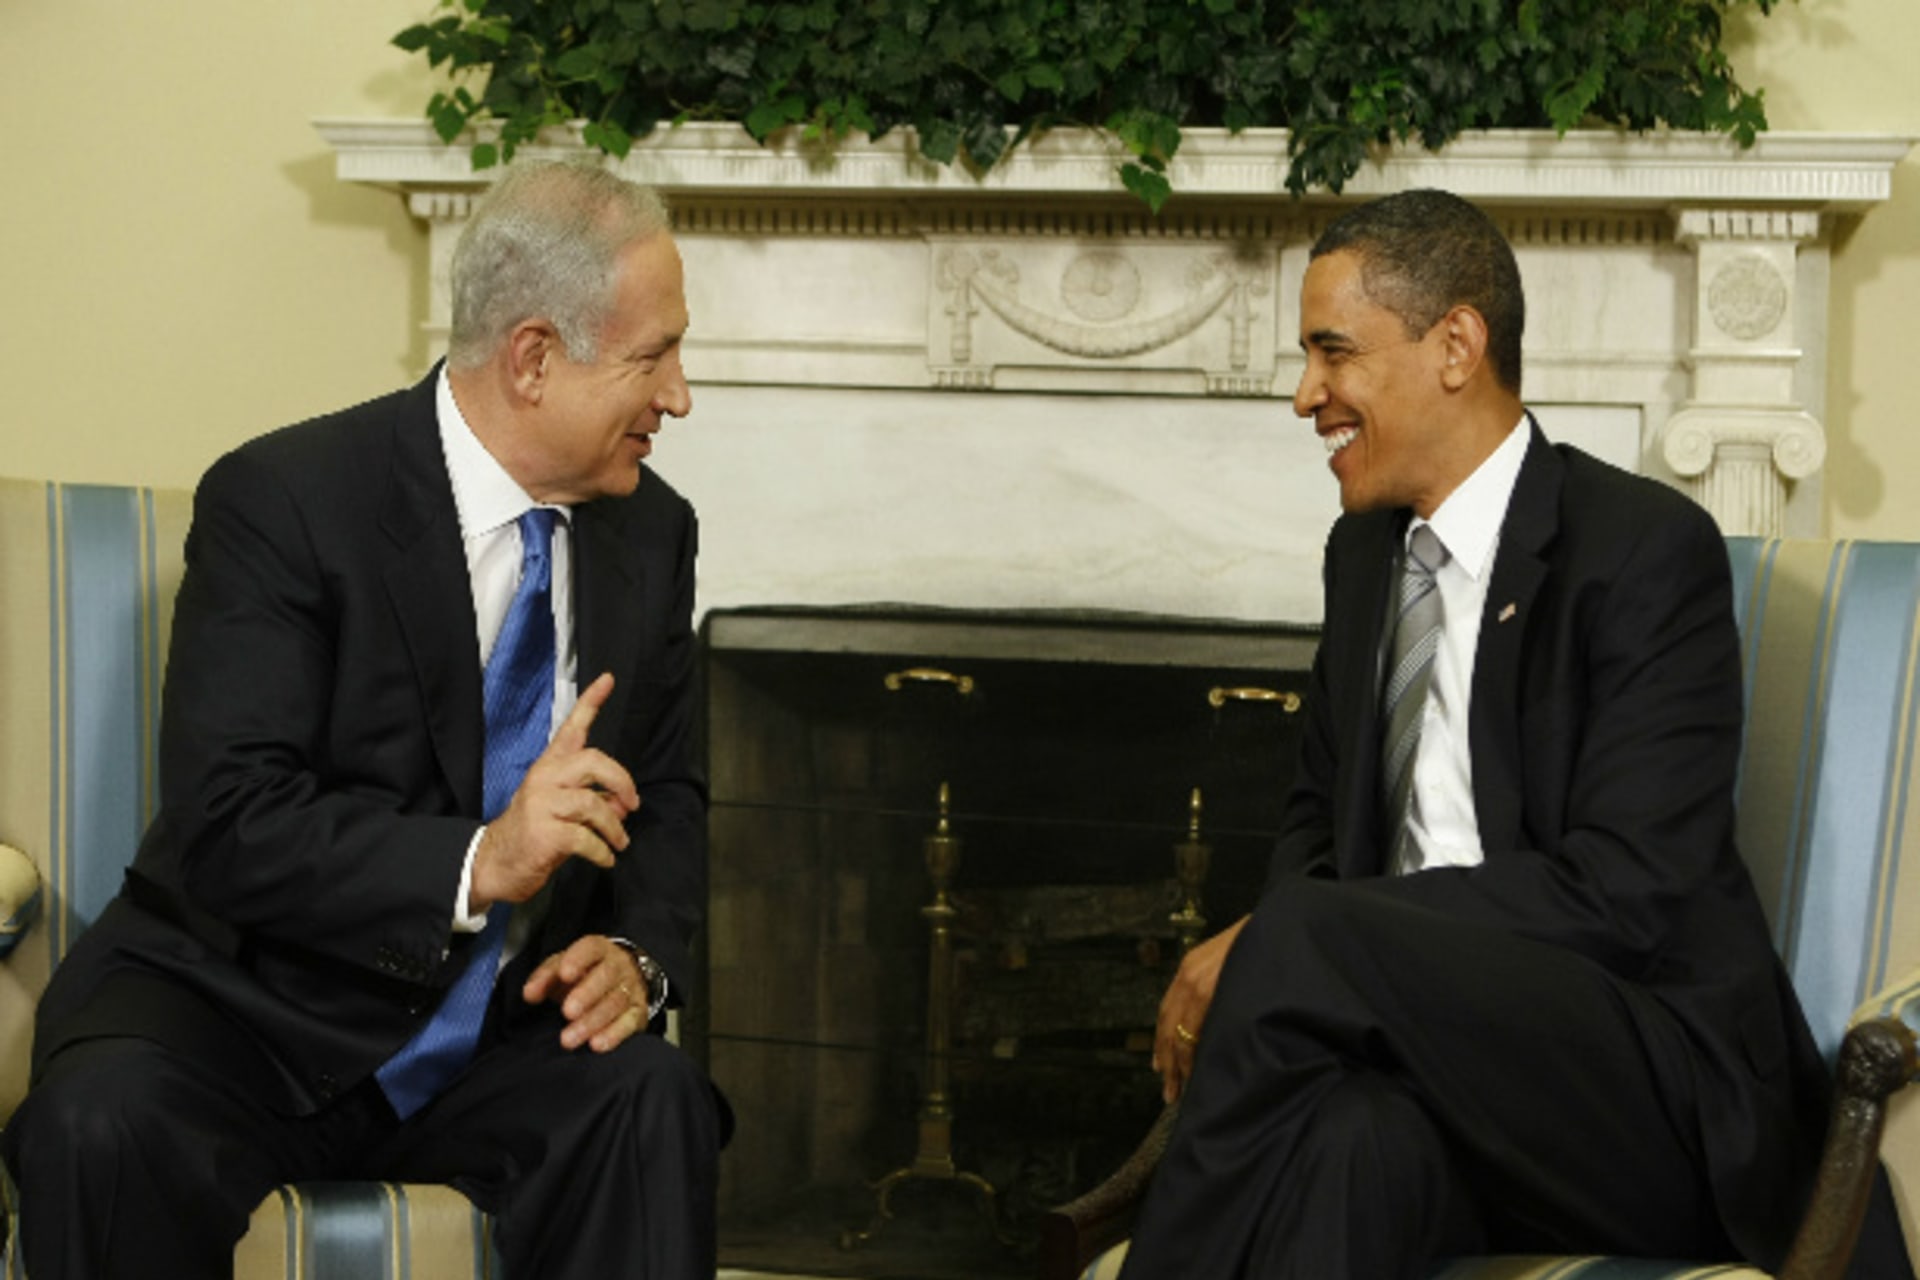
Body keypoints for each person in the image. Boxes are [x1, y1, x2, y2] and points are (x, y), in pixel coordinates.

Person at [1119, 189, 1914, 1278]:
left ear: (1456, 344)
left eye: (1333, 352)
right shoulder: (1363, 560)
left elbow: (1632, 889)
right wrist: (1318, 932)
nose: (1307, 394)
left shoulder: (1640, 550)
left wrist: (1293, 937)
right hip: (1427, 1074)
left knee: (1303, 927)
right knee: (1358, 1145)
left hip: (1645, 1090)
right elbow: (1317, 818)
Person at [0, 159, 724, 1280]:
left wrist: (638, 951)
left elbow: (668, 790)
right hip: (240, 1003)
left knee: (650, 1097)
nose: (679, 394)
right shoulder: (285, 500)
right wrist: (485, 857)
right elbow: (231, 817)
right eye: (652, 355)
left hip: (496, 1030)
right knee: (101, 1124)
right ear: (534, 356)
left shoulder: (651, 532)